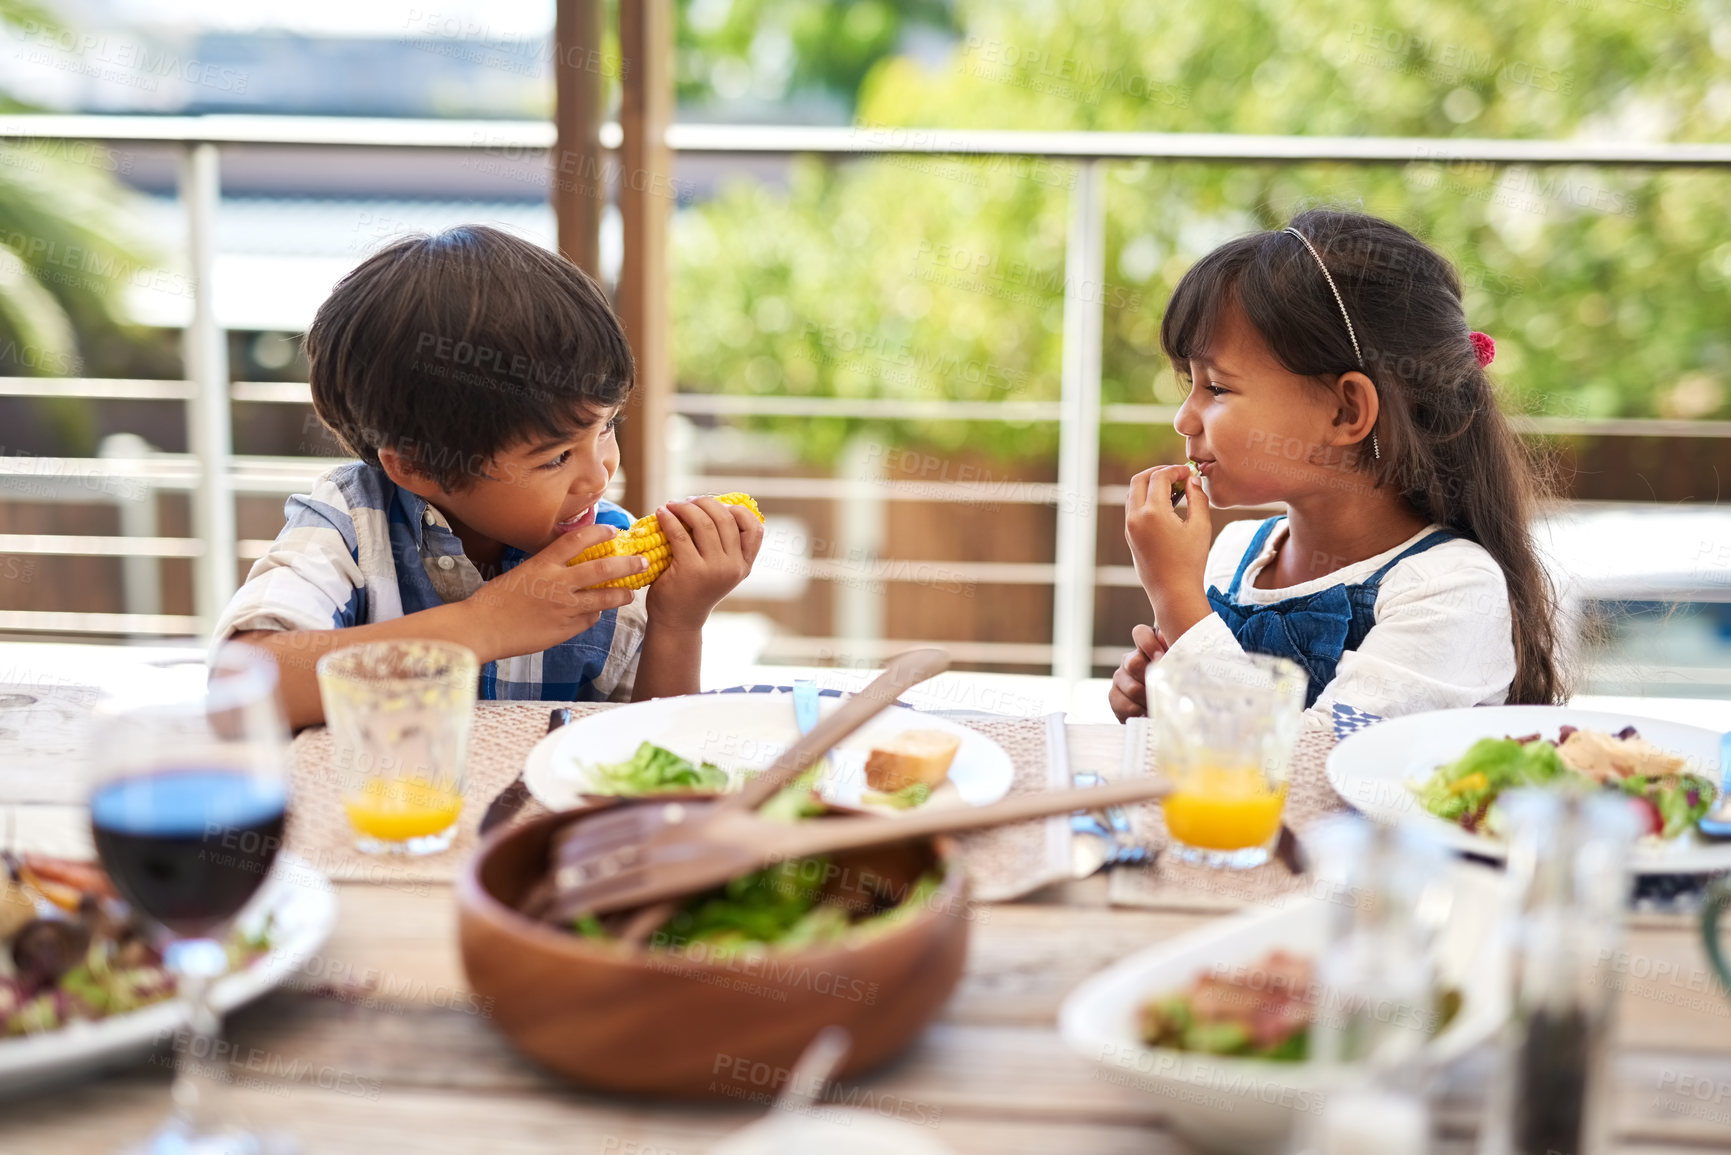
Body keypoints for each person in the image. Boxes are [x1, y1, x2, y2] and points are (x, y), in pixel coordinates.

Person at [212, 225, 763, 729]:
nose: (599, 476)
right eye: (555, 458)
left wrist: (678, 623)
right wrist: (486, 623)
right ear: (417, 465)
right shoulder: (351, 524)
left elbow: (650, 756)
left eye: (606, 427)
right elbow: (239, 688)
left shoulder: (608, 565)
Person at [1109, 209, 1563, 731]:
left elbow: (1313, 766)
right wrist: (1161, 706)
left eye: (1217, 387)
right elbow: (1214, 765)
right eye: (1189, 383)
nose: (1184, 417)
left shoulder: (1449, 588)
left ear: (1346, 411)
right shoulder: (1236, 554)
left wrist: (1176, 599)